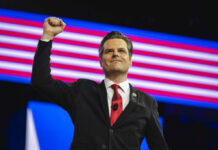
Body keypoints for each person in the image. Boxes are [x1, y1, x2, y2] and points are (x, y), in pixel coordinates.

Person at [31, 17, 169, 150]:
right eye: (109, 51)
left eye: (121, 51)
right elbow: (41, 82)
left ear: (130, 60)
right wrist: (47, 36)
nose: (115, 54)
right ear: (101, 61)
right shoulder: (82, 91)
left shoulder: (147, 103)